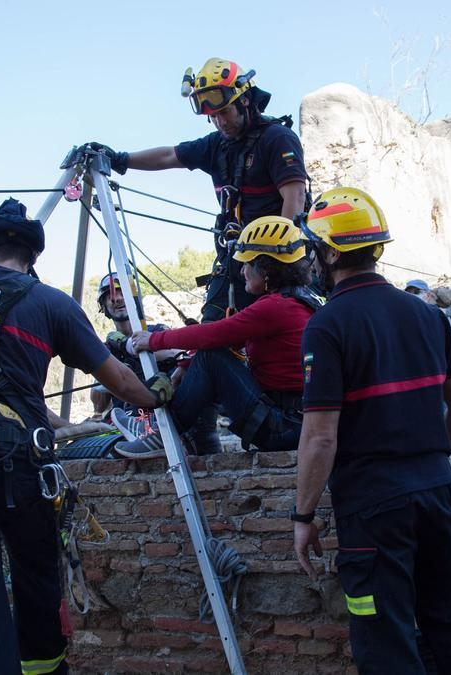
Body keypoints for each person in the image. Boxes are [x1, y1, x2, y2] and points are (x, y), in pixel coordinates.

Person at [0, 198, 173, 675]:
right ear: (33, 258)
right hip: (25, 473)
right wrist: (157, 395)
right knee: (38, 594)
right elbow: (118, 381)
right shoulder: (51, 304)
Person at [290, 188, 451, 674]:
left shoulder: (327, 325)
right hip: (436, 492)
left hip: (373, 510)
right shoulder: (430, 316)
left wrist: (303, 515)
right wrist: (431, 460)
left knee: (384, 635)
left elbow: (321, 437)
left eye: (313, 248)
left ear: (329, 252)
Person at [83, 57, 309, 321]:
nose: (220, 122)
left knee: (277, 328)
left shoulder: (276, 138)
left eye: (224, 112)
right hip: (237, 259)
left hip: (277, 261)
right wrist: (120, 159)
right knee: (214, 327)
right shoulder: (216, 145)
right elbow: (169, 155)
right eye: (213, 116)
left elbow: (295, 198)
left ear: (244, 101)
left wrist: (279, 263)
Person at [111, 215, 319, 458]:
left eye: (247, 264)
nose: (242, 272)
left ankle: (163, 435)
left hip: (280, 427)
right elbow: (230, 340)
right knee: (209, 355)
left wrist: (154, 340)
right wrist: (186, 364)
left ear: (266, 269)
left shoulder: (274, 308)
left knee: (211, 357)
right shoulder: (299, 301)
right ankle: (166, 433)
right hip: (293, 423)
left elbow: (212, 334)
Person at [92, 272, 223, 454]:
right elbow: (98, 404)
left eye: (123, 293)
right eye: (110, 296)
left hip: (165, 422)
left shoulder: (157, 332)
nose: (117, 299)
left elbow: (178, 354)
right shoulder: (105, 350)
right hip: (126, 428)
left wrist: (133, 349)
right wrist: (103, 369)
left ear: (135, 299)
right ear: (104, 306)